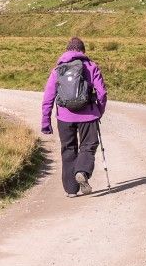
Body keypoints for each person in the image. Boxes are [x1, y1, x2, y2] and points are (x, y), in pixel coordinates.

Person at [41, 37, 108, 197]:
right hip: (89, 115)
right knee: (89, 145)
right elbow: (102, 93)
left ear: (67, 50)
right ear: (83, 51)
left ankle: (71, 190)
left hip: (64, 117)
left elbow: (48, 97)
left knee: (68, 149)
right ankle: (82, 172)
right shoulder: (91, 67)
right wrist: (99, 110)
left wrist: (45, 121)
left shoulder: (58, 70)